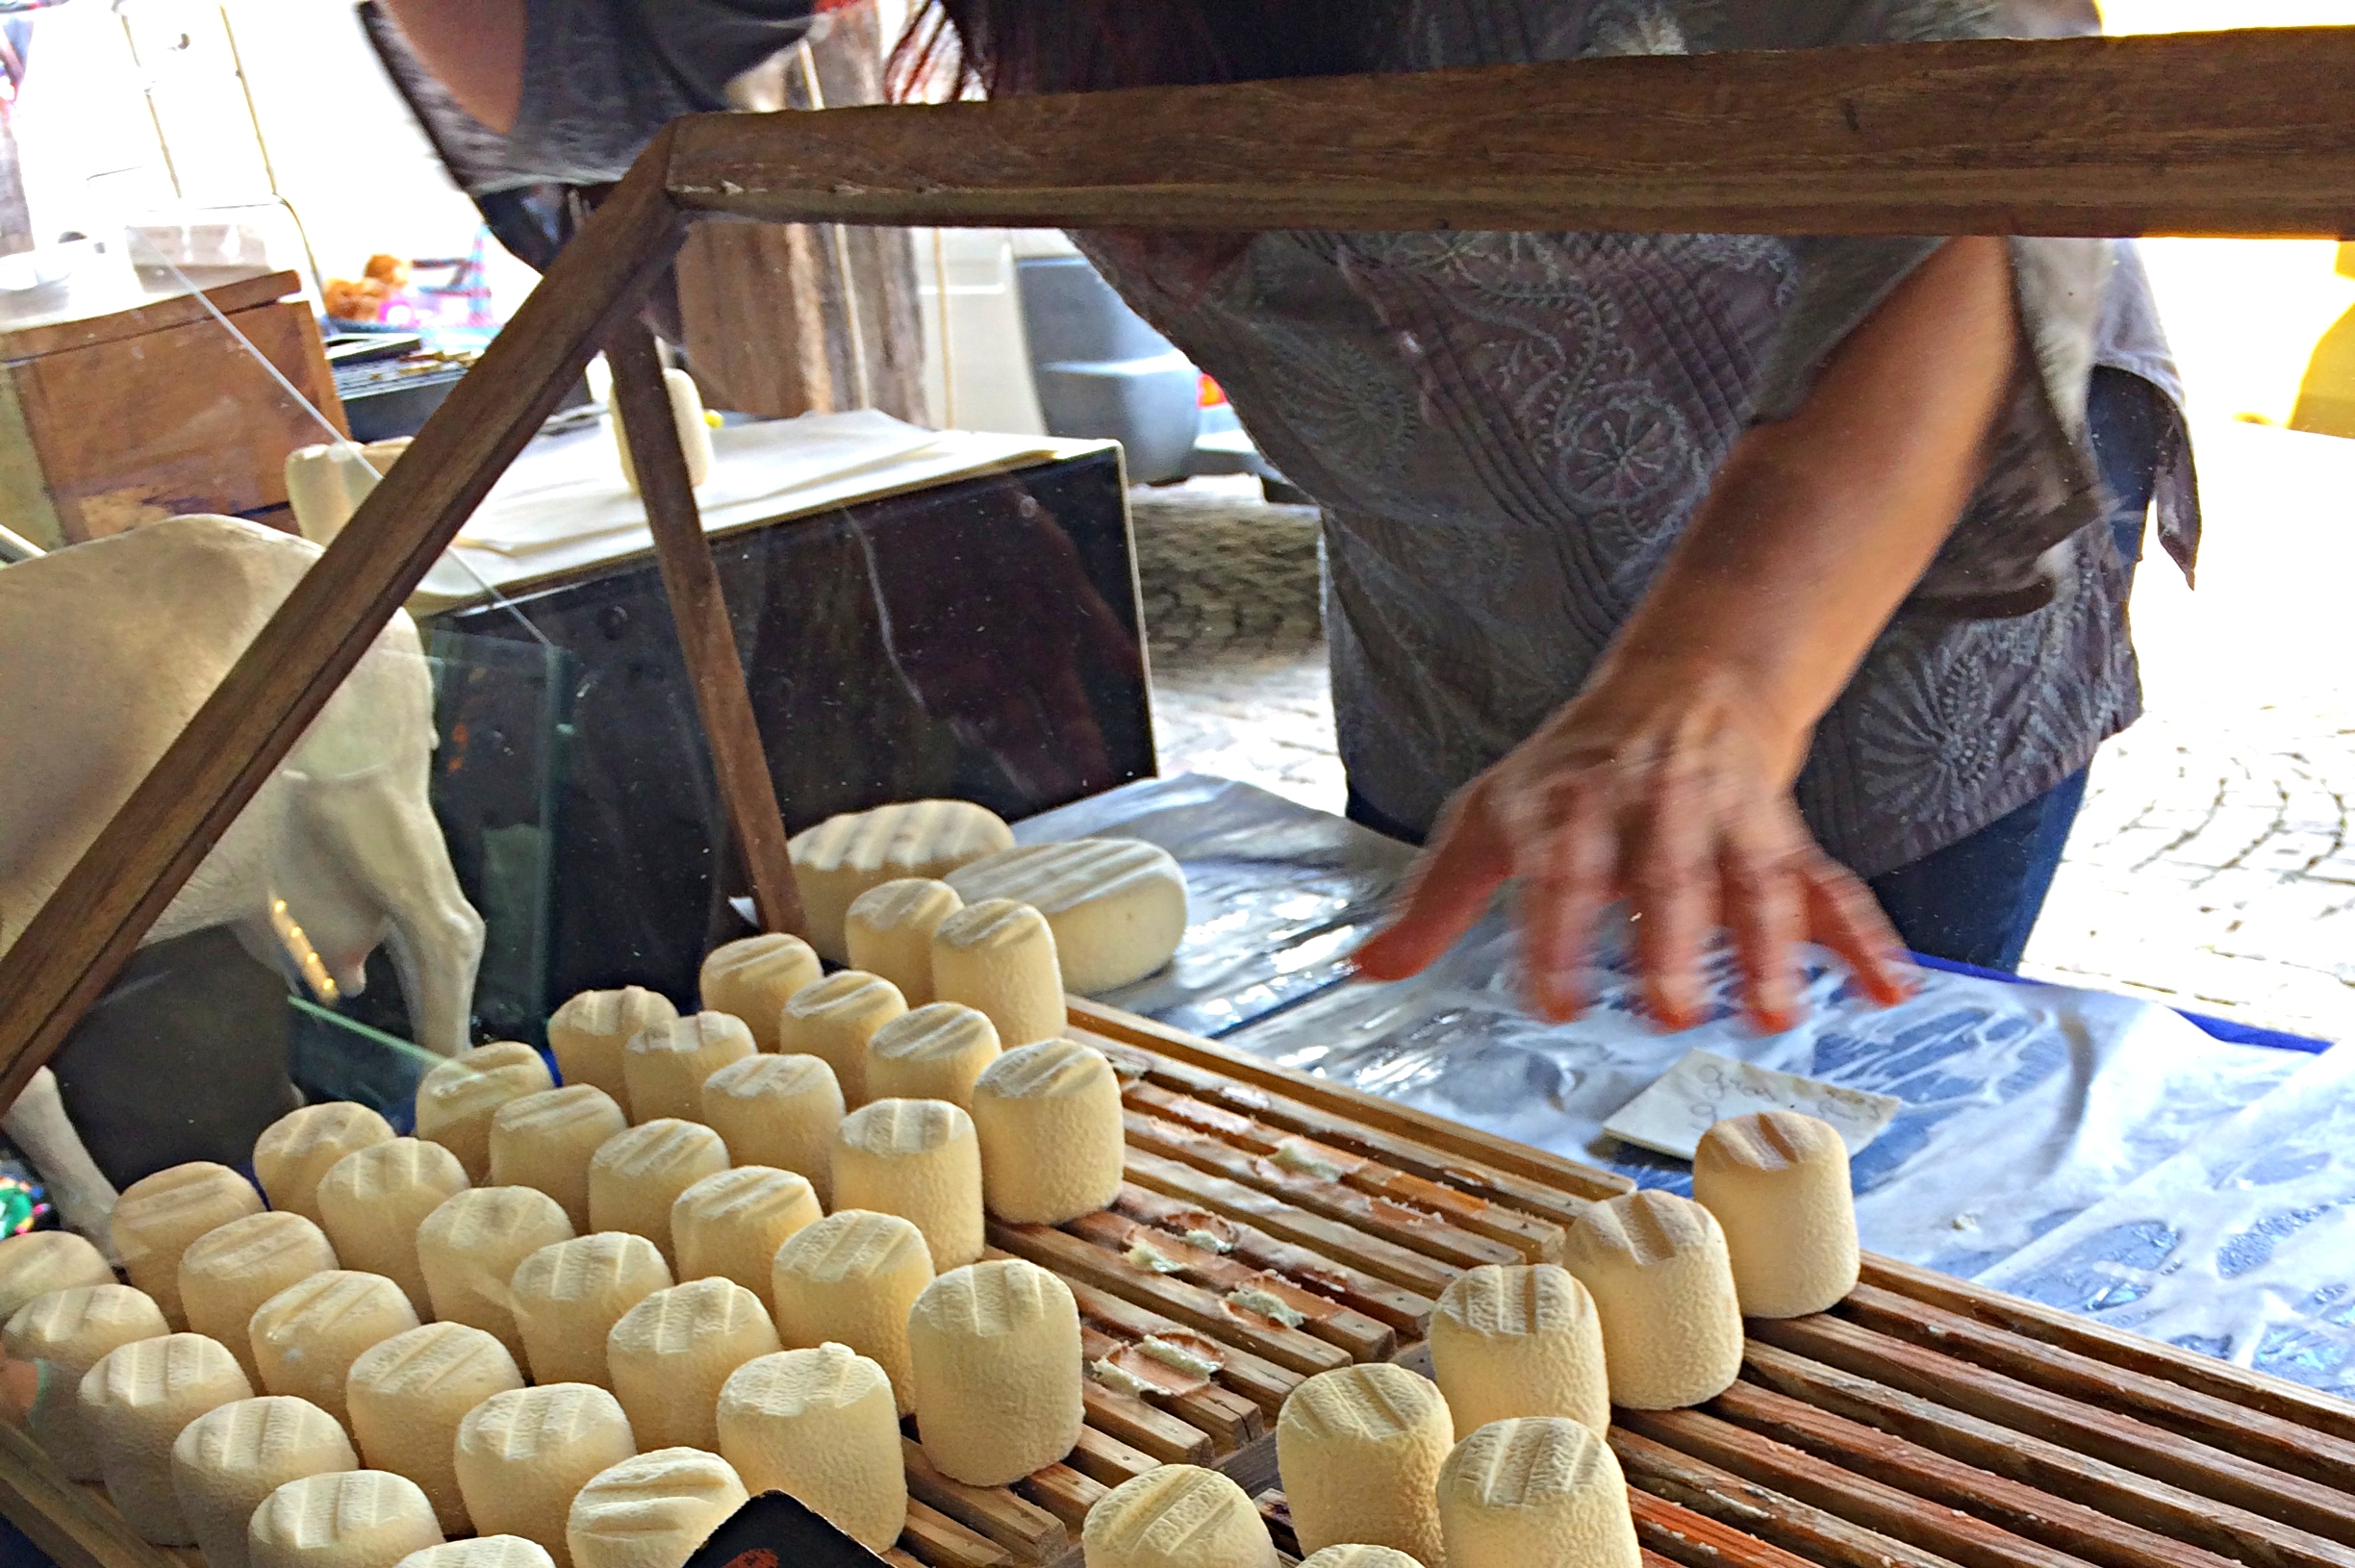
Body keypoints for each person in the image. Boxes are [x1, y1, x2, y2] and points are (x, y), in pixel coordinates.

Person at [368, 0, 2192, 1030]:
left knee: (1839, 1138)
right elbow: (575, 77)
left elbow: (1978, 96)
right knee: (1531, 1121)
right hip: (1456, 617)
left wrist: (1714, 681)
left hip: (1867, 556)